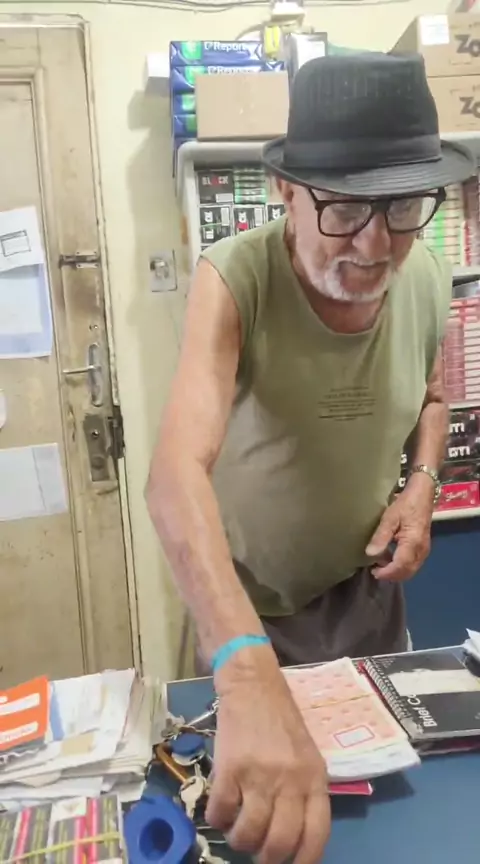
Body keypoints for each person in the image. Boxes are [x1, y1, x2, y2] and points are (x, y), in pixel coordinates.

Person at [147, 52, 474, 864]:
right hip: (251, 619)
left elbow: (434, 397)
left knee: (396, 828)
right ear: (284, 191)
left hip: (369, 598)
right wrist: (242, 669)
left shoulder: (428, 272)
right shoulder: (236, 278)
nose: (374, 244)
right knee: (255, 829)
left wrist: (420, 490)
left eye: (402, 207)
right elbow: (174, 475)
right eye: (343, 207)